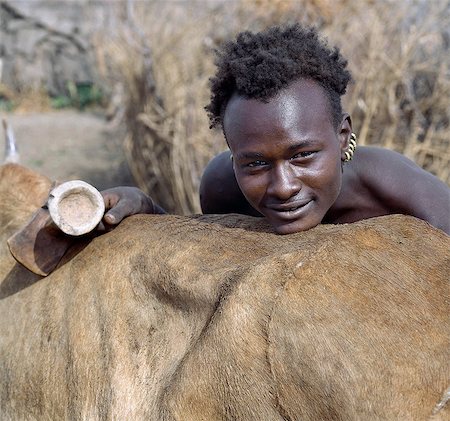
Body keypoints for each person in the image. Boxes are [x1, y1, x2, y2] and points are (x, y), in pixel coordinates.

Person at [101, 24, 450, 235]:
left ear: (343, 135)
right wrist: (149, 212)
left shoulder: (400, 192)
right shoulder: (223, 188)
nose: (283, 188)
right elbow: (207, 251)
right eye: (255, 164)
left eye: (303, 155)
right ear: (232, 153)